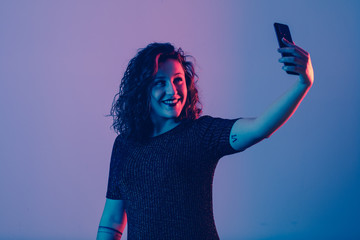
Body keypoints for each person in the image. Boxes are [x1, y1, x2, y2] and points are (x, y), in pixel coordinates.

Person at [96, 40, 314, 240]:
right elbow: (112, 222)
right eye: (159, 83)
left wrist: (303, 83)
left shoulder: (200, 134)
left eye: (178, 80)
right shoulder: (125, 145)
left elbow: (260, 128)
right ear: (142, 90)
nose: (172, 90)